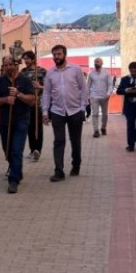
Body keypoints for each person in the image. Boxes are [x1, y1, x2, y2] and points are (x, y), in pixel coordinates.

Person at [41, 44, 88, 182]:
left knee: (75, 141)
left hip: (75, 111)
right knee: (59, 141)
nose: (56, 57)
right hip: (57, 112)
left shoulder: (76, 70)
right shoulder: (50, 73)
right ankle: (59, 171)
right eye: (54, 55)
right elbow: (47, 93)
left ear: (64, 55)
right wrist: (45, 111)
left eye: (59, 54)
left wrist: (82, 109)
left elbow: (83, 89)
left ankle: (76, 165)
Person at [0, 55, 36, 194]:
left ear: (17, 64)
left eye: (11, 64)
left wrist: (19, 95)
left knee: (16, 150)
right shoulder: (0, 81)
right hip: (6, 121)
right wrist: (6, 100)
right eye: (6, 65)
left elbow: (32, 100)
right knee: (8, 150)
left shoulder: (25, 80)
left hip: (21, 120)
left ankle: (13, 180)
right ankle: (17, 170)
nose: (9, 67)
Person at [20, 51, 46, 161]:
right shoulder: (23, 72)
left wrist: (39, 86)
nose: (25, 61)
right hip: (26, 103)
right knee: (29, 128)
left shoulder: (42, 71)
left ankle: (37, 150)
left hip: (38, 103)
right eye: (24, 59)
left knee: (38, 128)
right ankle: (32, 149)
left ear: (33, 59)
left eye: (27, 59)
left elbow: (49, 87)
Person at [87, 58, 114, 138]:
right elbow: (88, 86)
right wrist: (88, 96)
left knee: (105, 114)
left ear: (102, 63)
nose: (96, 63)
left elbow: (110, 85)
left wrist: (108, 94)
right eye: (95, 62)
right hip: (94, 96)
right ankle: (96, 131)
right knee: (95, 114)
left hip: (104, 97)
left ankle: (103, 127)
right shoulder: (91, 74)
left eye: (97, 62)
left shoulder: (107, 73)